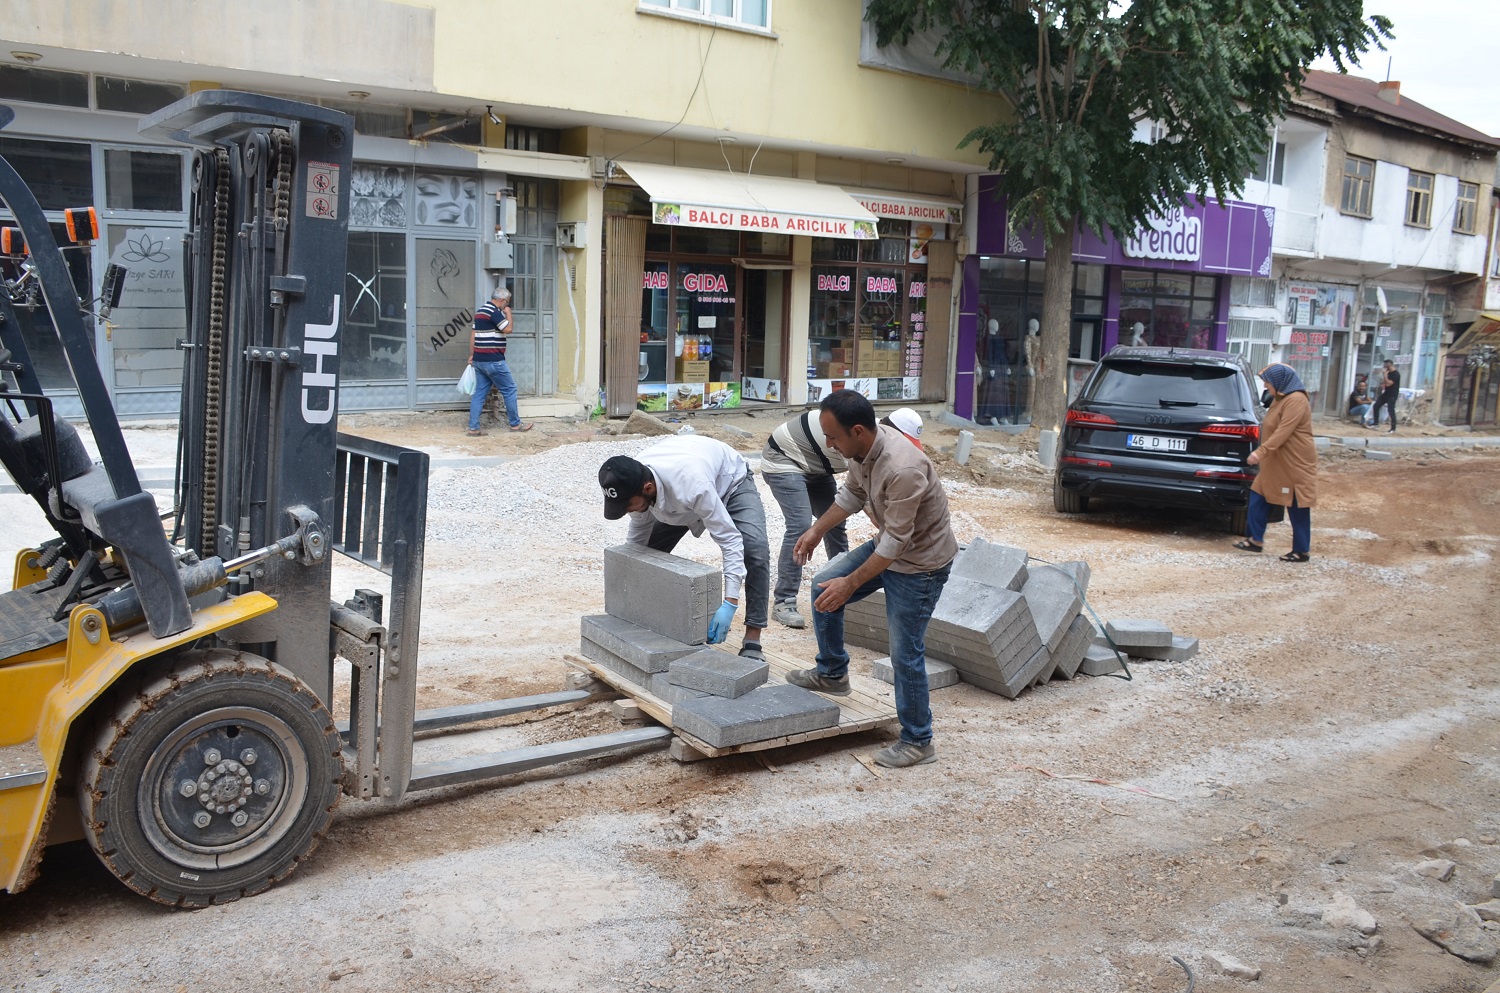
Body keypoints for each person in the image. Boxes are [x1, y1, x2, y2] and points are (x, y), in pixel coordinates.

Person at [786, 390, 958, 769]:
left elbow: (897, 542)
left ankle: (918, 740)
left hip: (920, 566)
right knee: (823, 587)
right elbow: (851, 494)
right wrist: (817, 531)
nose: (828, 443)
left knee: (904, 653)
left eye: (833, 437)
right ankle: (832, 673)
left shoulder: (903, 468)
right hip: (890, 548)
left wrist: (850, 583)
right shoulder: (862, 451)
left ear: (859, 430)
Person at [599, 435, 770, 659]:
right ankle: (649, 620)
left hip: (728, 483)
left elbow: (730, 540)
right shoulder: (633, 479)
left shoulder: (692, 485)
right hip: (680, 496)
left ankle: (752, 639)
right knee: (649, 554)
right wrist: (625, 588)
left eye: (628, 505)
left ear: (648, 488)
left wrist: (730, 602)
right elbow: (637, 542)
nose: (627, 511)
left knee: (755, 549)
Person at [760, 410, 850, 630]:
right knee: (800, 526)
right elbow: (860, 496)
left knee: (835, 523)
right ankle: (784, 600)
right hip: (783, 459)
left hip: (815, 464)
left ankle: (845, 588)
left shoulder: (881, 444)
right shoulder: (858, 441)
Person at [1233, 364, 1318, 563]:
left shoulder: (1296, 400)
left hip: (1294, 462)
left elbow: (1284, 431)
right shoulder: (1281, 398)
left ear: (1280, 382)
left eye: (1268, 382)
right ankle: (1255, 539)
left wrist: (1260, 452)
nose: (1265, 385)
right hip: (1276, 461)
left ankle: (1301, 550)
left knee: (1297, 503)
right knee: (1258, 493)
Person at [467, 287, 532, 436]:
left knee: (479, 393)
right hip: (494, 360)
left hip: (479, 360)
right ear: (501, 300)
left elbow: (473, 335)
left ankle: (473, 428)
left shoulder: (480, 311)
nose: (506, 306)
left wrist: (472, 354)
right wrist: (509, 314)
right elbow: (508, 329)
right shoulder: (494, 312)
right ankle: (516, 424)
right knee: (510, 390)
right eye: (506, 303)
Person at [1368, 360, 1400, 433]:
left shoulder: (1395, 374)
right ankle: (1375, 423)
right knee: (1376, 406)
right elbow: (1385, 383)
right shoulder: (1389, 373)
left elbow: (1388, 383)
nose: (1385, 368)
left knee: (1391, 410)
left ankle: (1393, 428)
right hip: (1386, 393)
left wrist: (1385, 375)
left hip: (1392, 394)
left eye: (1386, 366)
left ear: (1390, 365)